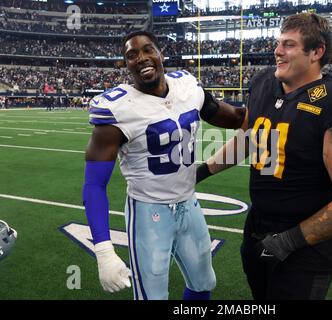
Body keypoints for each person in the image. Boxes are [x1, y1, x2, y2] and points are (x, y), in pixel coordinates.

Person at [196, 13, 332, 300]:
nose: (278, 51)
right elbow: (248, 137)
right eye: (279, 43)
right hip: (258, 227)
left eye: (289, 45)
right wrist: (200, 173)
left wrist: (288, 242)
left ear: (317, 52)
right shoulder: (264, 82)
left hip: (306, 246)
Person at [82, 30, 245, 300]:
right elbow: (94, 185)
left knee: (204, 282)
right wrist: (103, 249)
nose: (141, 58)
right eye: (132, 55)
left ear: (160, 54)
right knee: (152, 296)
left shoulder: (187, 87)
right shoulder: (117, 109)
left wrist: (275, 110)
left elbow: (233, 117)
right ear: (126, 65)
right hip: (148, 212)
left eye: (148, 50)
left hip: (189, 204)